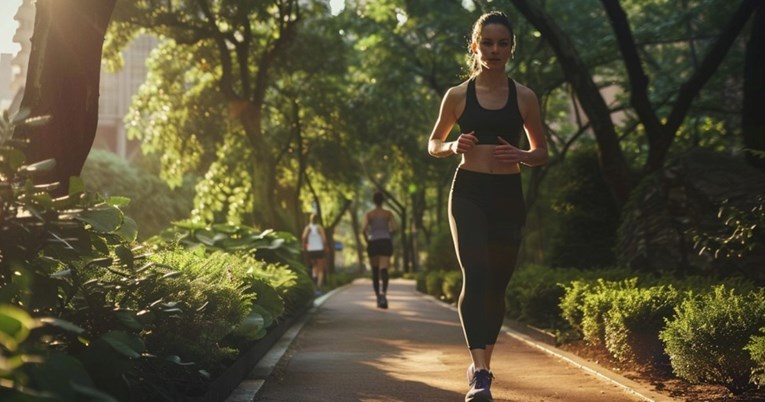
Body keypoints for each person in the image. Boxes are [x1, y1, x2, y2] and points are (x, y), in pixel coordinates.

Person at [427, 11, 548, 402]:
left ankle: (485, 364)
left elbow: (542, 151)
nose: (495, 50)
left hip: (509, 195)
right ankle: (480, 373)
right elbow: (434, 143)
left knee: (498, 283)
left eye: (503, 44)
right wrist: (452, 146)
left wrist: (523, 154)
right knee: (476, 274)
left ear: (511, 49)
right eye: (489, 43)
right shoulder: (458, 95)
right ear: (475, 47)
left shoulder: (525, 97)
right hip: (469, 193)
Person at [361, 191, 397, 309]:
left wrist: (367, 240)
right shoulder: (388, 213)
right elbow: (395, 228)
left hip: (374, 242)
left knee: (375, 271)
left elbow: (363, 229)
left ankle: (378, 297)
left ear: (374, 201)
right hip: (385, 241)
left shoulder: (369, 214)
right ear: (383, 201)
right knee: (384, 269)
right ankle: (384, 295)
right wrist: (389, 236)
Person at [301, 213, 329, 293]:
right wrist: (326, 247)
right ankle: (318, 288)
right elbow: (324, 239)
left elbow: (303, 238)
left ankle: (314, 281)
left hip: (311, 250)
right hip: (319, 250)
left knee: (314, 267)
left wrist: (304, 246)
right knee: (321, 269)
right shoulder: (319, 228)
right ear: (317, 220)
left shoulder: (308, 228)